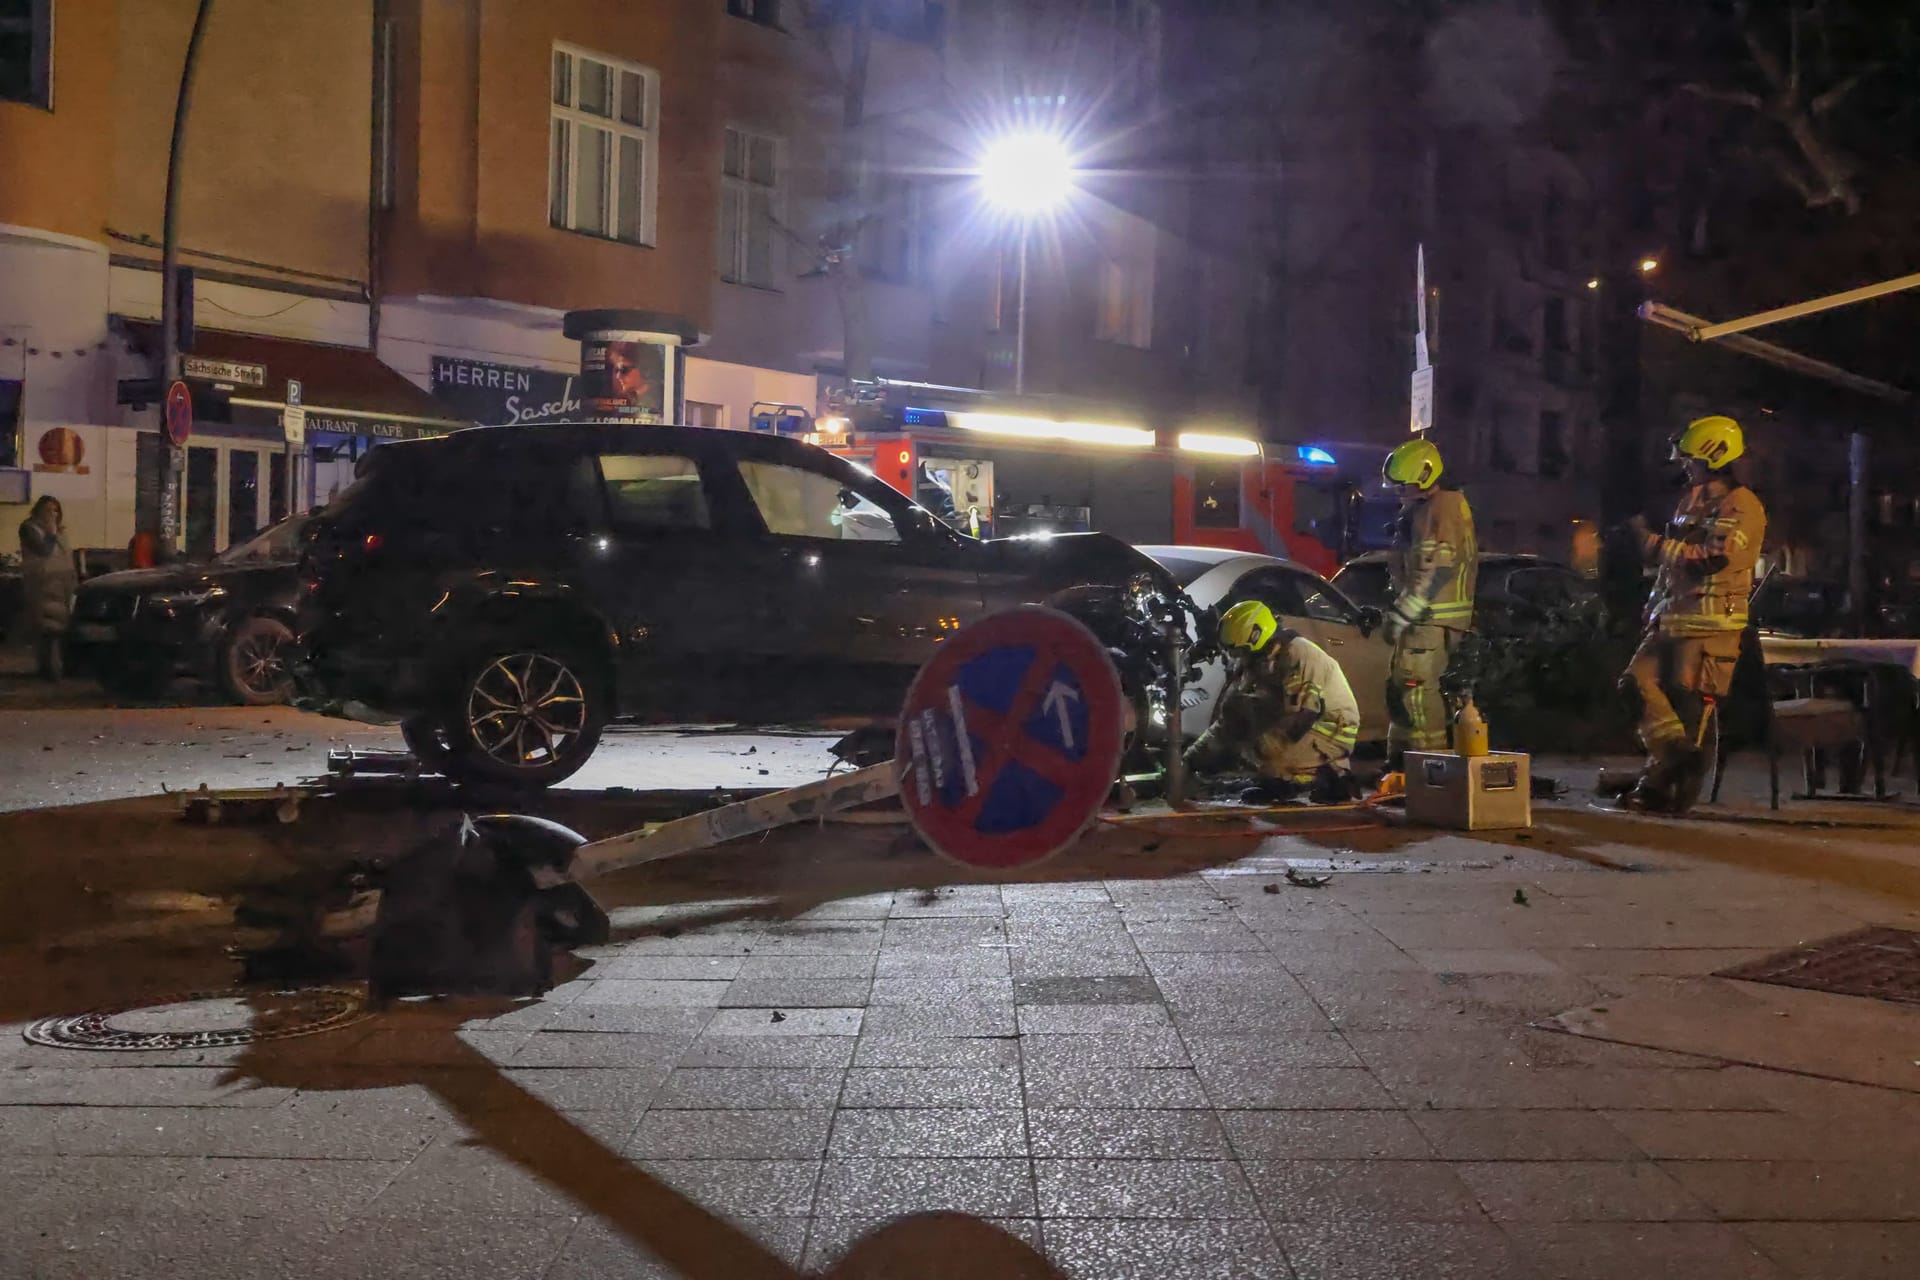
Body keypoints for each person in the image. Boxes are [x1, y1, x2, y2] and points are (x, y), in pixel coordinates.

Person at [1617, 415, 1766, 813]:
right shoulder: (1692, 500)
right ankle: (1673, 759)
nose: (1685, 465)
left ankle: (1666, 790)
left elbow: (1715, 559)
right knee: (1635, 685)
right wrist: (1653, 606)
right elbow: (1672, 569)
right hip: (1672, 618)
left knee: (1690, 708)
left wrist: (1650, 543)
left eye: (1691, 458)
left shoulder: (1743, 505)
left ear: (1714, 457)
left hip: (1710, 624)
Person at [1184, 600, 1361, 803]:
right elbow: (1228, 721)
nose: (1237, 658)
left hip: (1330, 730)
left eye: (1239, 651)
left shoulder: (1298, 655)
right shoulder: (1261, 659)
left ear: (1255, 637)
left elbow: (1299, 722)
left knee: (1263, 747)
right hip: (1301, 722)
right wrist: (1193, 758)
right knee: (1237, 709)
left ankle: (1329, 773)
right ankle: (1281, 776)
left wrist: (1252, 751)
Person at [1380, 436, 1478, 766]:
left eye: (1402, 486)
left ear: (1424, 475)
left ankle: (1429, 766)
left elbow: (1433, 570)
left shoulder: (1441, 508)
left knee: (1416, 692)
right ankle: (1401, 765)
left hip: (1430, 618)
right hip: (1425, 619)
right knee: (1402, 689)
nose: (1398, 493)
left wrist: (1402, 613)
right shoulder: (1426, 509)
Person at [17, 495, 78, 681]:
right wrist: (51, 535)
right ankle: (48, 669)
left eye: (55, 510)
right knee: (47, 627)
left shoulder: (60, 531)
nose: (52, 514)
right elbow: (42, 550)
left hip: (63, 584)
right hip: (42, 584)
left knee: (60, 626)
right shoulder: (29, 528)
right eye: (48, 510)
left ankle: (57, 667)